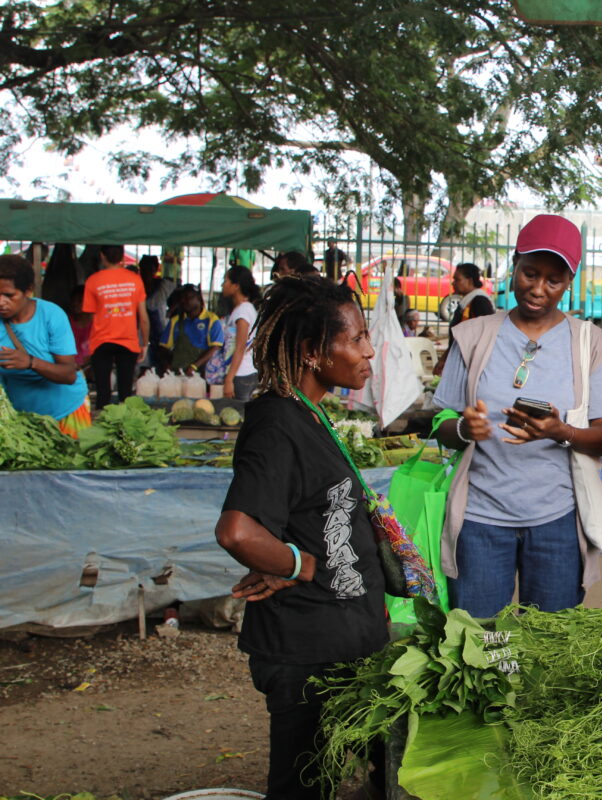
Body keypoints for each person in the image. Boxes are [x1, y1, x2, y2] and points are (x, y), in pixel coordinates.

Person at [215, 277, 386, 800]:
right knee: (303, 784)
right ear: (313, 352)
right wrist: (297, 564)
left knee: (372, 766)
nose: (369, 350)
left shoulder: (309, 412)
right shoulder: (275, 423)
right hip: (306, 650)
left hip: (342, 641)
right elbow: (238, 530)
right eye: (355, 339)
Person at [431, 214, 602, 617]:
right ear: (514, 265)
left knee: (549, 649)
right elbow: (441, 426)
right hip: (480, 519)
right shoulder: (472, 336)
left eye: (553, 280)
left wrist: (561, 431)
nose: (538, 289)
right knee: (480, 644)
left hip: (558, 522)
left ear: (570, 281)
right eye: (529, 273)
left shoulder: (594, 345)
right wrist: (465, 428)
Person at [0, 255, 91, 437]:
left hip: (66, 412)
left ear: (28, 291)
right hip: (21, 418)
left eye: (9, 295)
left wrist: (30, 362)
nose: (1, 302)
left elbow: (68, 374)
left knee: (72, 463)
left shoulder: (51, 315)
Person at [83, 244, 149, 409]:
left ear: (102, 256)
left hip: (101, 341)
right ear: (122, 257)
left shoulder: (93, 281)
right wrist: (144, 344)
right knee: (126, 394)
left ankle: (102, 428)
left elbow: (91, 316)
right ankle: (125, 429)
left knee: (102, 392)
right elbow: (143, 318)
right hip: (128, 341)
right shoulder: (135, 279)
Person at [434, 262, 496, 374]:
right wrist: (445, 359)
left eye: (457, 279)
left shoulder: (479, 301)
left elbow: (485, 335)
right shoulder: (468, 301)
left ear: (470, 281)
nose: (453, 283)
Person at [160, 285, 225, 377]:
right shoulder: (176, 321)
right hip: (178, 373)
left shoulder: (212, 320)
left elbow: (215, 348)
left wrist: (194, 366)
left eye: (189, 297)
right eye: (182, 298)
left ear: (198, 298)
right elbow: (164, 347)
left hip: (203, 374)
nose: (184, 301)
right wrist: (167, 365)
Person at [218, 265, 261, 401]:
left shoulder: (243, 312)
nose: (222, 285)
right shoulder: (241, 310)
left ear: (236, 286)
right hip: (240, 372)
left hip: (242, 374)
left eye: (226, 281)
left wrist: (229, 379)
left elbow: (240, 347)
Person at [67, 285, 91, 368]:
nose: (75, 304)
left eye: (80, 301)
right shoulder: (66, 322)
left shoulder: (96, 324)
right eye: (73, 300)